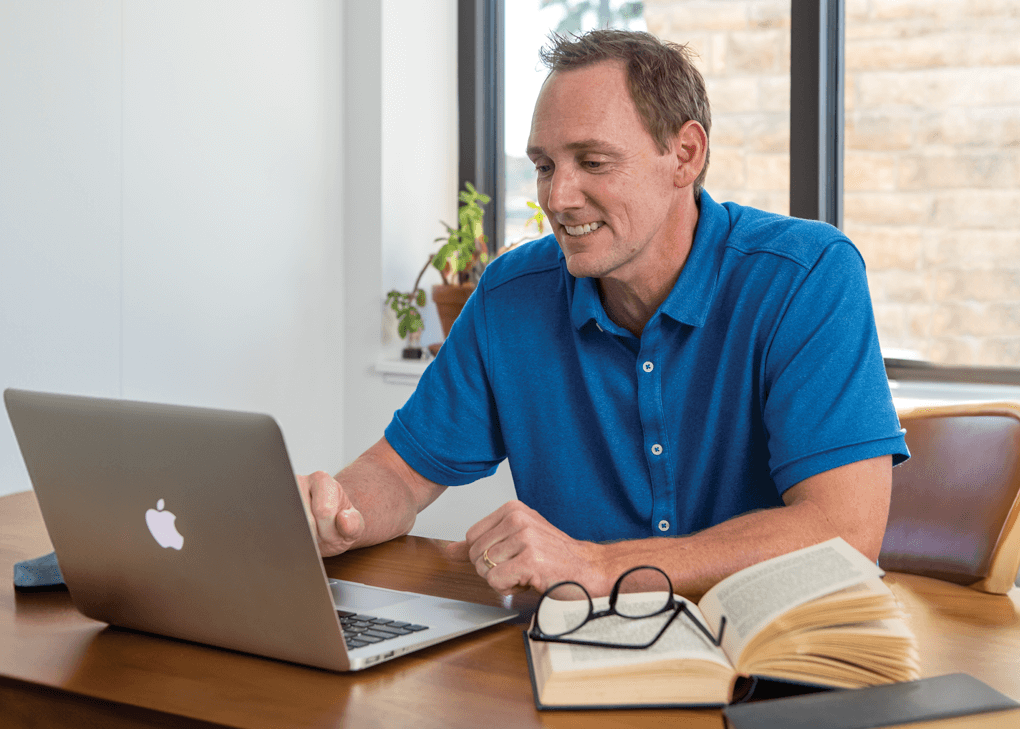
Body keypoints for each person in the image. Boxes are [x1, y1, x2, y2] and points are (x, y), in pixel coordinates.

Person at [300, 30, 908, 600]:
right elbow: (399, 474)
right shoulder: (511, 294)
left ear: (685, 155)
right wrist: (337, 511)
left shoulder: (806, 276)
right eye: (544, 166)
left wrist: (599, 566)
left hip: (771, 665)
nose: (557, 198)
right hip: (573, 658)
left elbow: (844, 534)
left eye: (592, 162)